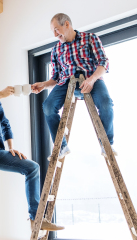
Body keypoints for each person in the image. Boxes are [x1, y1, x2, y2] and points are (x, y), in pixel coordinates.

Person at [0, 57, 64, 231]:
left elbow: (4, 123)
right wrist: (0, 94)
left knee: (32, 168)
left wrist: (11, 148)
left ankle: (35, 219)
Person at [31, 13, 115, 159]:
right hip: (66, 83)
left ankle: (106, 144)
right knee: (48, 107)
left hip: (91, 79)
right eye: (53, 32)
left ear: (67, 24)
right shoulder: (56, 50)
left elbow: (103, 63)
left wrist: (92, 79)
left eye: (57, 29)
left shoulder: (90, 38)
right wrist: (44, 85)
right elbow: (56, 78)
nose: (55, 34)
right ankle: (61, 146)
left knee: (106, 104)